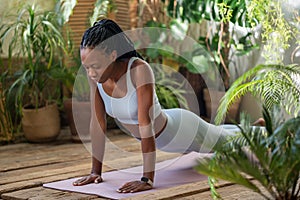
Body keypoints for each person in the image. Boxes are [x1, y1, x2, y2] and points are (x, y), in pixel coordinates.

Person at [72, 19, 263, 193]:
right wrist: (95, 172)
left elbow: (145, 124)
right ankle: (255, 125)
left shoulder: (139, 70)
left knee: (225, 144)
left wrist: (147, 178)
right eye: (86, 67)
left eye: (95, 66)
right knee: (219, 133)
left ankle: (260, 130)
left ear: (113, 55)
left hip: (180, 130)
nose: (90, 73)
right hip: (167, 138)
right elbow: (98, 124)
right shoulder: (96, 78)